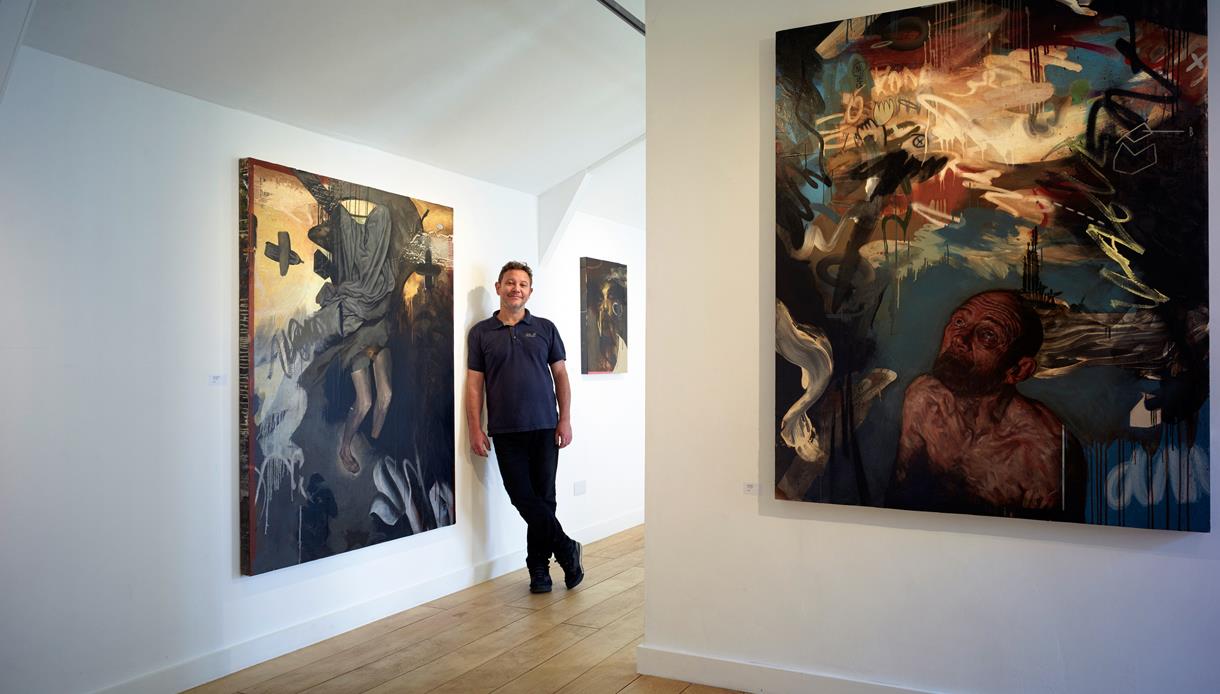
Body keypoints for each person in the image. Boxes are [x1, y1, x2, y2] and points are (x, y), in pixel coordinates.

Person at [891, 290, 1080, 518]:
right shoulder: (925, 399)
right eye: (959, 322)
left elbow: (1045, 538)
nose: (959, 339)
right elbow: (898, 503)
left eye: (988, 335)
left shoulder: (1042, 450)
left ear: (1018, 371)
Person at [465, 261, 583, 593]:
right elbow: (474, 386)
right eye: (510, 282)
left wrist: (565, 418)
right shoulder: (481, 333)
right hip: (505, 430)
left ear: (530, 291)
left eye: (522, 284)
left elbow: (561, 376)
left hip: (545, 426)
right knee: (522, 497)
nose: (516, 288)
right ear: (498, 287)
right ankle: (567, 548)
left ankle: (539, 569)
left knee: (544, 498)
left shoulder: (545, 328)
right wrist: (475, 428)